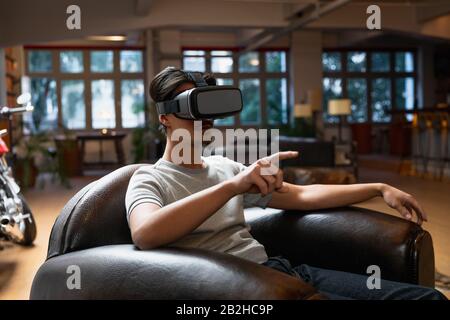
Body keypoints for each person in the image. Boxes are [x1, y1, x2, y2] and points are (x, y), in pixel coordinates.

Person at [125, 66, 446, 300]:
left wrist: (378, 189)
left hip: (279, 270)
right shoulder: (150, 178)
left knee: (427, 299)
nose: (202, 120)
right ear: (165, 117)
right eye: (189, 108)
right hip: (239, 290)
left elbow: (304, 195)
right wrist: (232, 187)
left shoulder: (225, 167)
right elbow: (146, 233)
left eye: (206, 110)